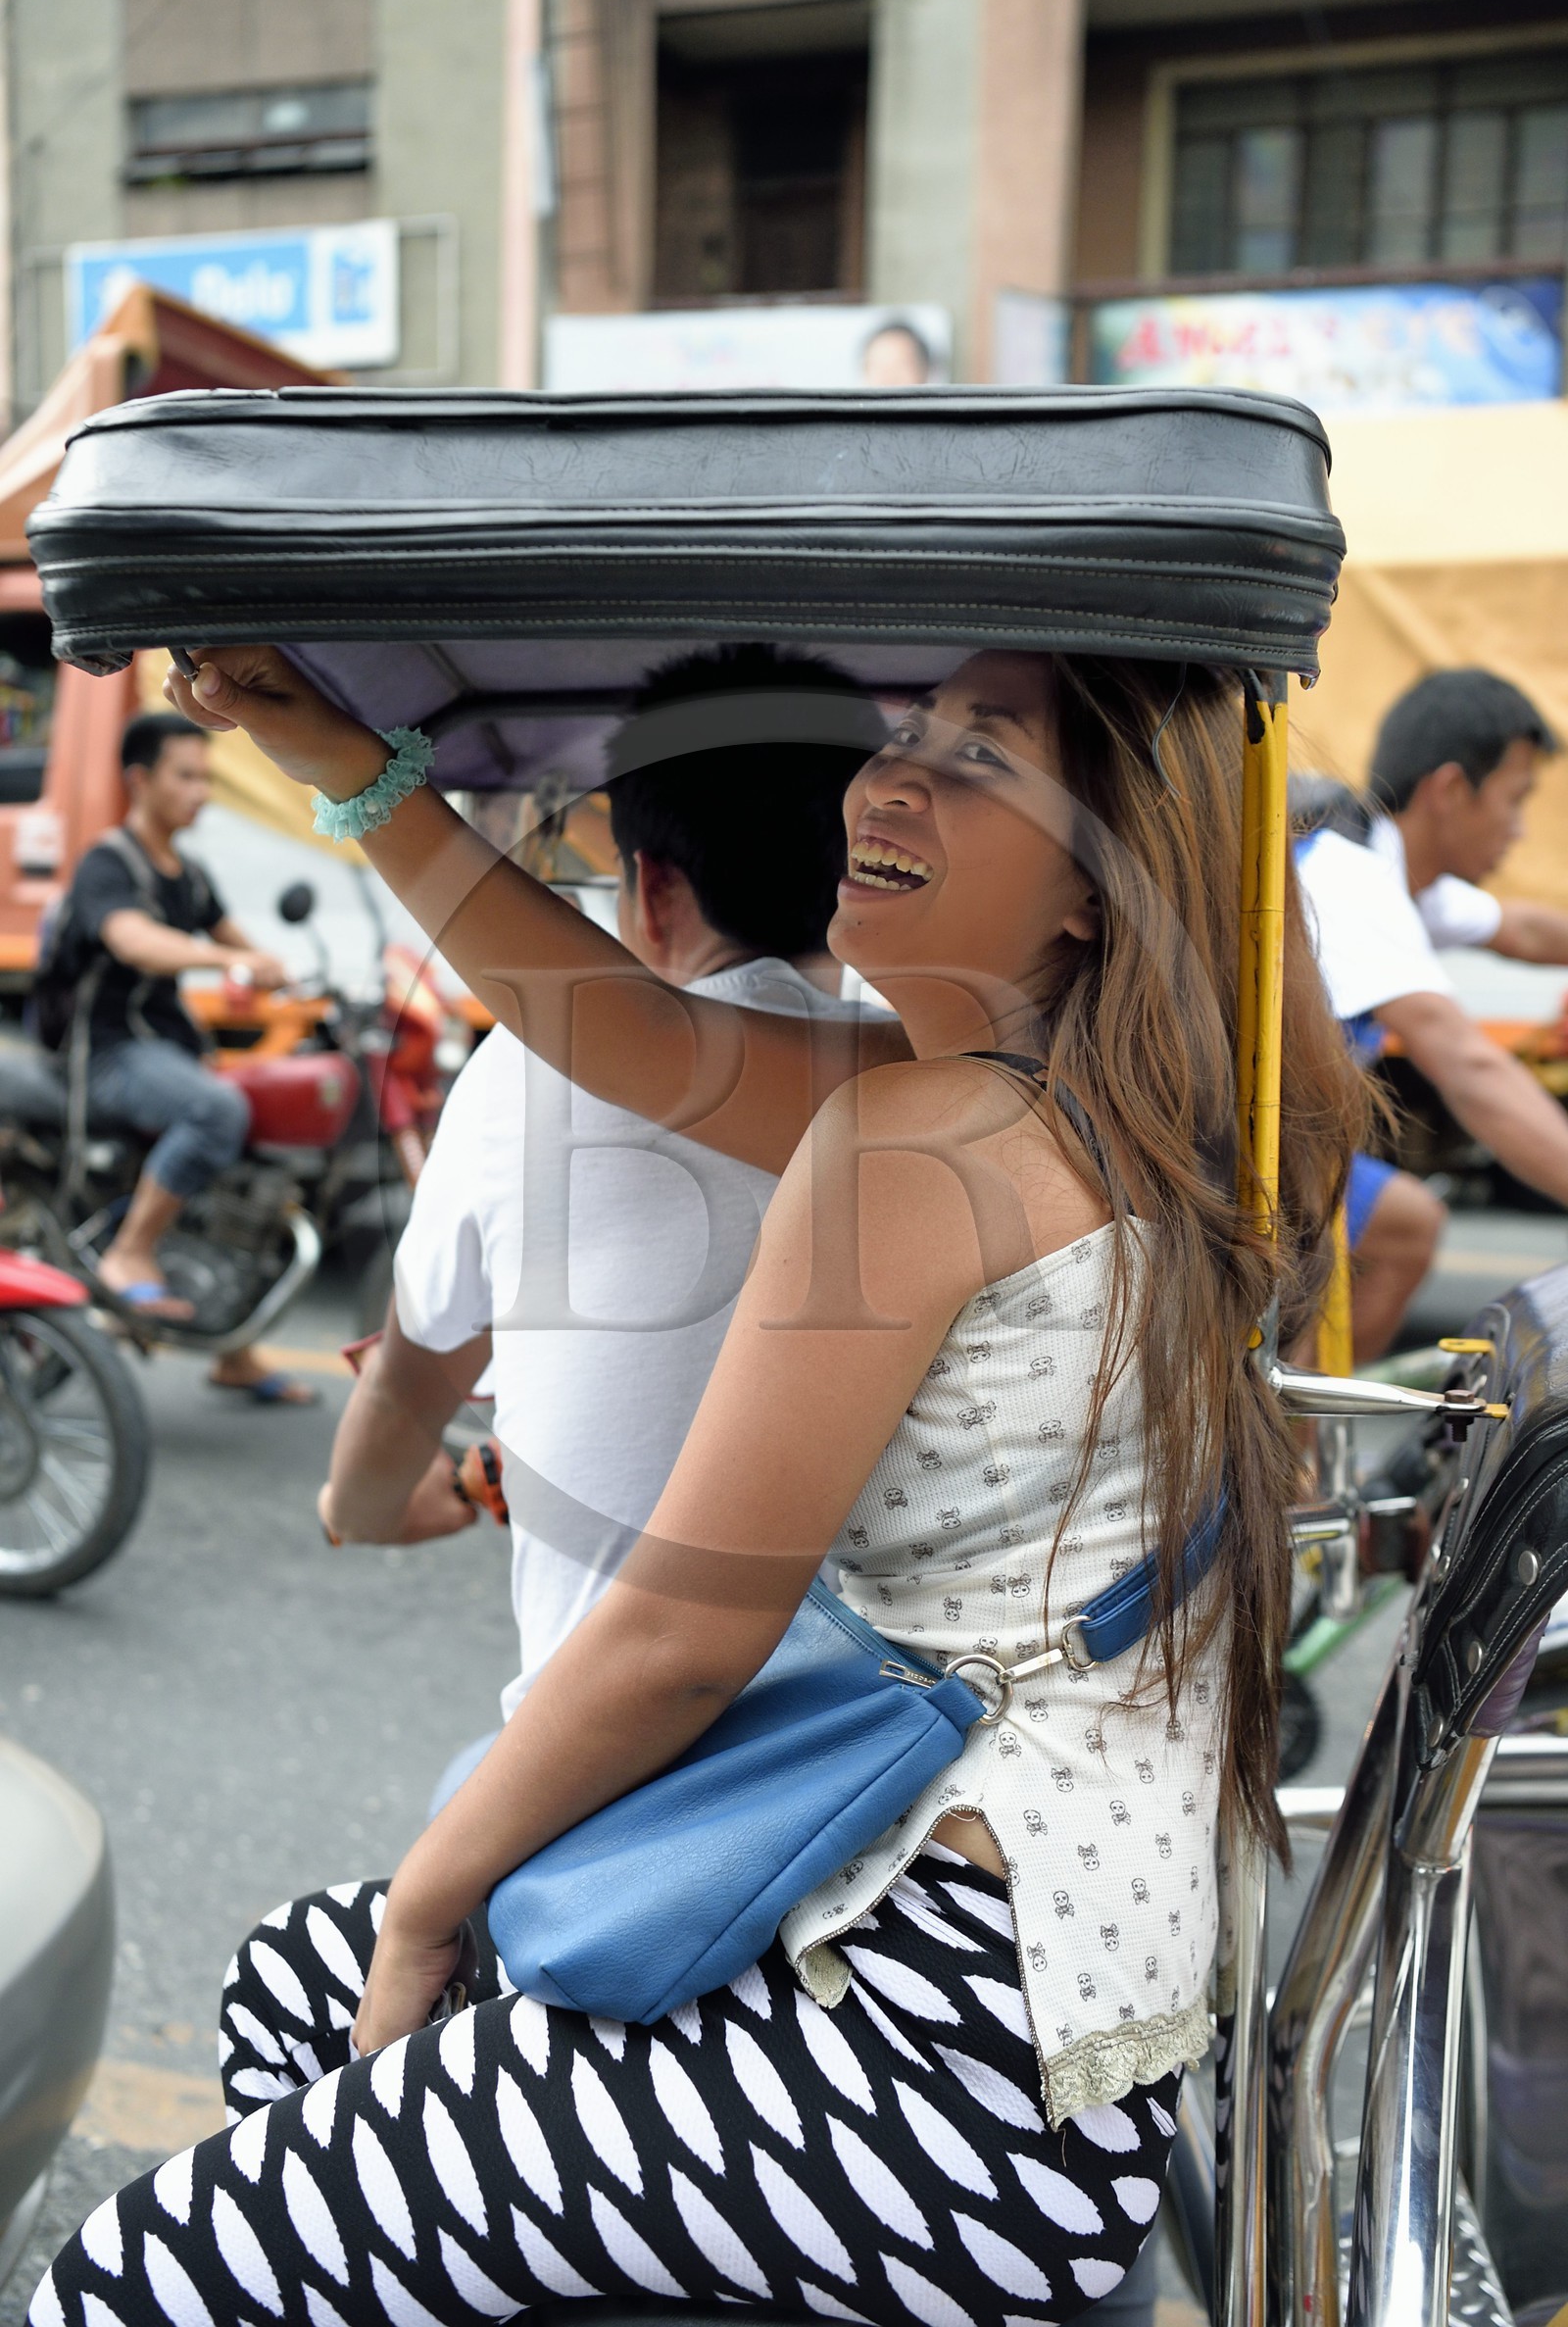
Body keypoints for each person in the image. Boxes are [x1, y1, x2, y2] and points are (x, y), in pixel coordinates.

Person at [34, 646, 1365, 2327]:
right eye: (905, 742)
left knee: (124, 2277)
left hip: (921, 2071)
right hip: (1050, 2045)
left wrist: (424, 1919)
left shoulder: (921, 1144)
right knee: (286, 1982)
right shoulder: (1089, 1117)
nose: (888, 785)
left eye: (977, 759)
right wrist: (348, 767)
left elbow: (681, 1637)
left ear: (1098, 892)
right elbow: (630, 1033)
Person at [319, 646, 870, 1750]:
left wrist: (360, 1510)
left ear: (651, 890)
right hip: (903, 1752)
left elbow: (402, 1396)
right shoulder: (960, 1070)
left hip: (612, 1787)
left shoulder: (524, 1071)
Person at [1297, 668, 1568, 1360]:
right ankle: (1286, 1456)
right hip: (1203, 1149)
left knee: (1399, 1225)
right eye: (1515, 799)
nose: (1519, 828)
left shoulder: (1403, 876)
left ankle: (1297, 1443)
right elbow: (1469, 1066)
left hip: (1269, 1143)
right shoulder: (1350, 880)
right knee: (1404, 1227)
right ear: (1450, 790)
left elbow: (1527, 931)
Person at [61, 712, 315, 1401]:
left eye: (207, 777)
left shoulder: (191, 876)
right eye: (186, 776)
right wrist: (227, 959)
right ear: (140, 780)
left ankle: (235, 1349)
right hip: (106, 1054)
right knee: (215, 1108)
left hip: (162, 1048)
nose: (200, 791)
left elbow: (244, 943)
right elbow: (136, 941)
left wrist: (286, 969)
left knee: (261, 1145)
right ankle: (131, 1250)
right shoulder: (110, 863)